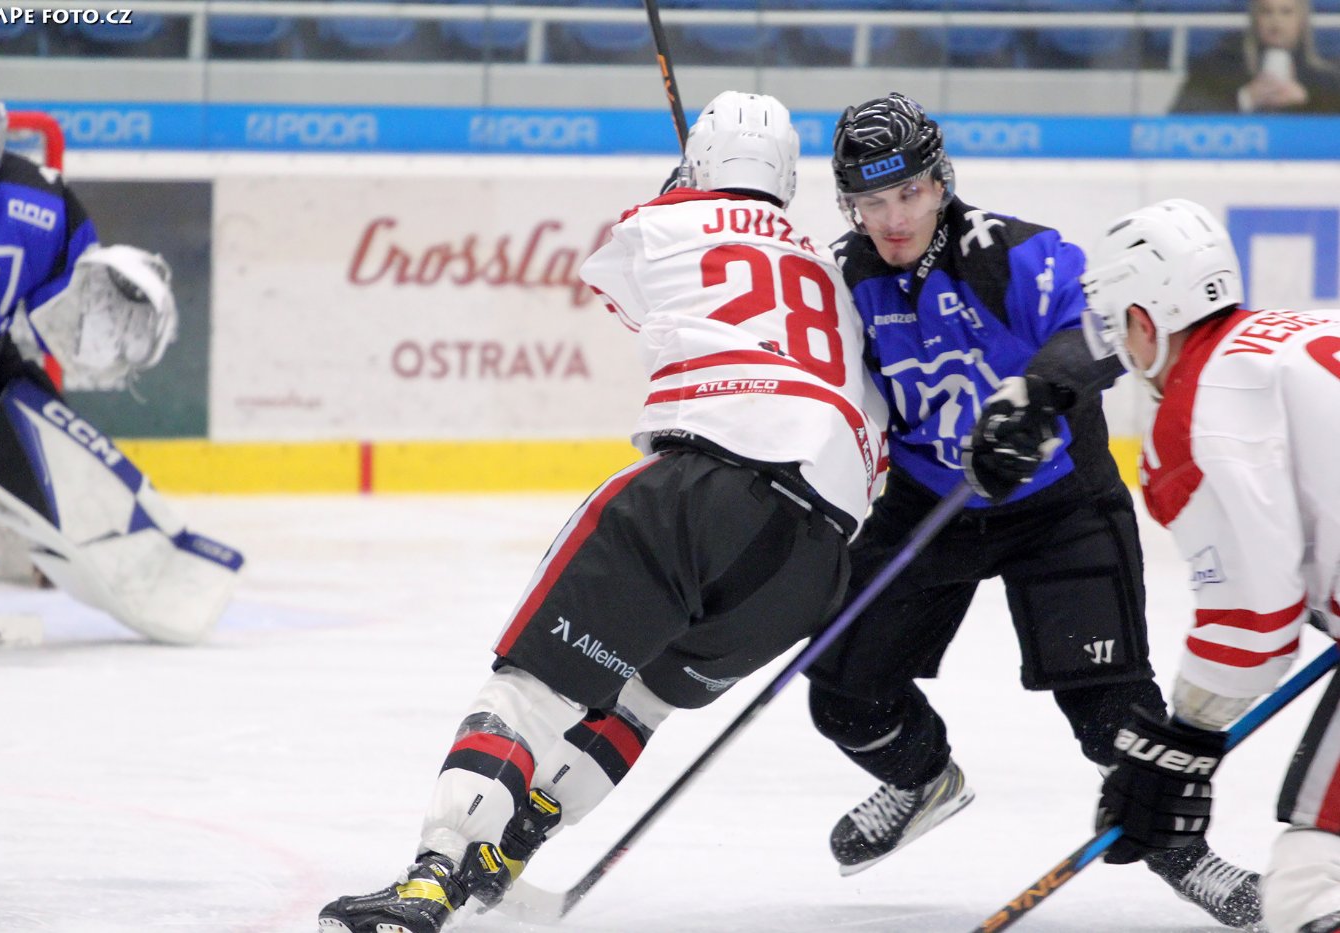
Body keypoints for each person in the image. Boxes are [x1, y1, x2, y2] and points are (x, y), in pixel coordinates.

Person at [318, 90, 886, 933]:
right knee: (642, 701)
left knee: (534, 686)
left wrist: (675, 196)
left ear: (697, 162)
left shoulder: (664, 222)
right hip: (815, 561)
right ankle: (515, 845)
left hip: (704, 490)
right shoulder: (835, 276)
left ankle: (434, 876)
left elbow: (622, 290)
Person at [804, 91, 1263, 928]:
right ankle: (921, 779)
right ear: (849, 205)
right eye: (871, 201)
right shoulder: (844, 277)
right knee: (842, 688)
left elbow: (1105, 325)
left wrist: (1038, 395)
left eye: (908, 192)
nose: (893, 219)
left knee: (1114, 717)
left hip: (1059, 507)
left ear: (941, 182)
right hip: (929, 504)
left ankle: (1186, 855)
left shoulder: (1012, 253)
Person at [1085, 198, 1340, 933]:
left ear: (1146, 318)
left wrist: (1179, 747)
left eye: (1120, 324)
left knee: (1311, 880)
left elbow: (1254, 621)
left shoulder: (1197, 409)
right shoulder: (1304, 331)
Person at [0, 71, 242, 644]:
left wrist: (106, 315)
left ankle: (167, 577)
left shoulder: (41, 201)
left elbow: (70, 307)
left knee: (79, 474)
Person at [1171, 0, 1340, 114]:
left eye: (1286, 12)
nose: (1276, 22)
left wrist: (1306, 101)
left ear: (1301, 19)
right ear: (1255, 18)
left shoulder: (1325, 79)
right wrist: (1245, 99)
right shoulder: (1218, 67)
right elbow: (1182, 116)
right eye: (1267, 12)